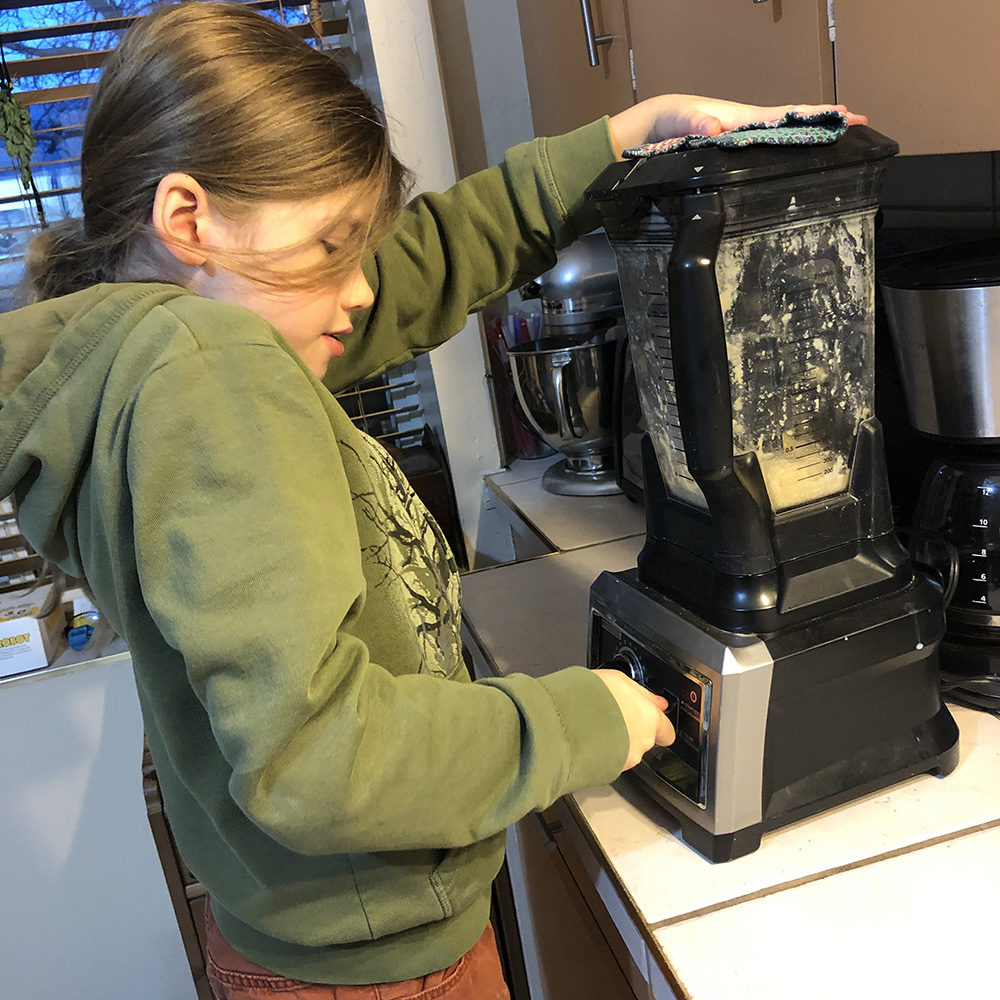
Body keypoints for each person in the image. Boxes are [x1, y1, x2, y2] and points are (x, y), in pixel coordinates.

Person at [0, 3, 866, 998]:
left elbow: (422, 265)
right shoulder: (211, 366)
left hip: (326, 945)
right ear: (189, 219)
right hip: (376, 977)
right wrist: (576, 722)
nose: (361, 289)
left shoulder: (161, 349)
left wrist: (626, 137)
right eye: (332, 246)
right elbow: (317, 759)